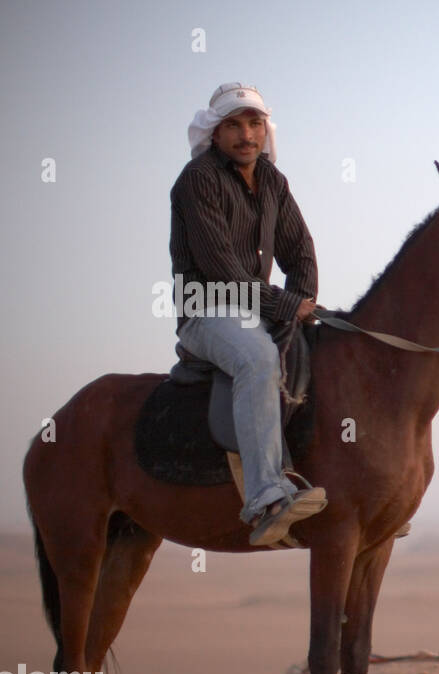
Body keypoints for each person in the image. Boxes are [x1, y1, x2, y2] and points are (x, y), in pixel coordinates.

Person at [170, 83, 326, 546]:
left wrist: (300, 302)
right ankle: (265, 496)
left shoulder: (275, 182)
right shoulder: (197, 179)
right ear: (215, 133)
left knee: (330, 354)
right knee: (258, 358)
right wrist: (284, 306)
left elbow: (301, 253)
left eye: (254, 123)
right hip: (208, 310)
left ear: (265, 129)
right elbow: (222, 268)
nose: (246, 135)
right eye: (234, 125)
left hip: (259, 309)